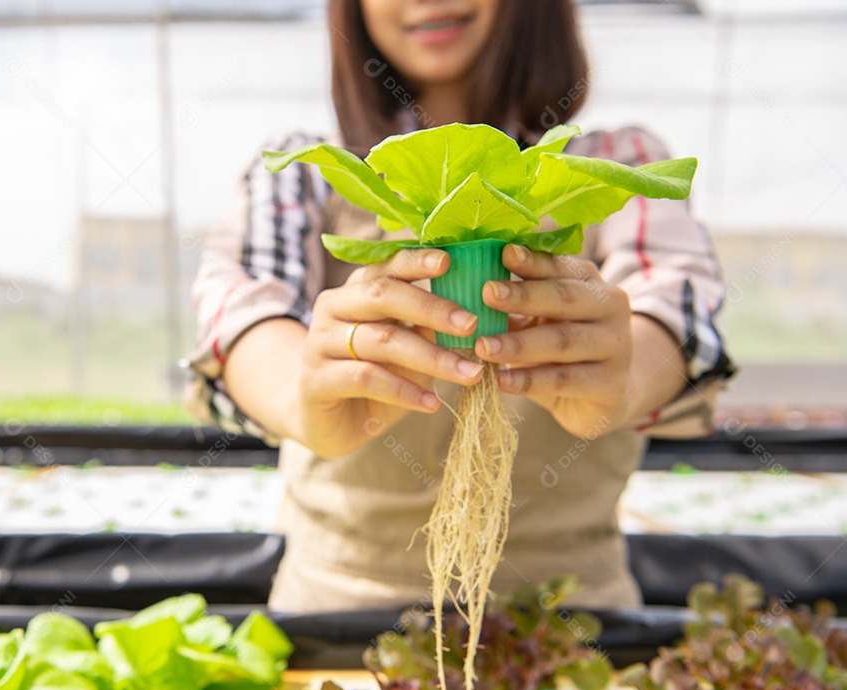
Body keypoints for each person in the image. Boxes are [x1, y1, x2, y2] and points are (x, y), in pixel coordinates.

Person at [184, 0, 734, 613]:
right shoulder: (302, 172)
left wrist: (623, 377)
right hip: (338, 609)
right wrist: (302, 393)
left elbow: (677, 316)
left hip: (571, 611)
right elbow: (245, 317)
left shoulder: (618, 161)